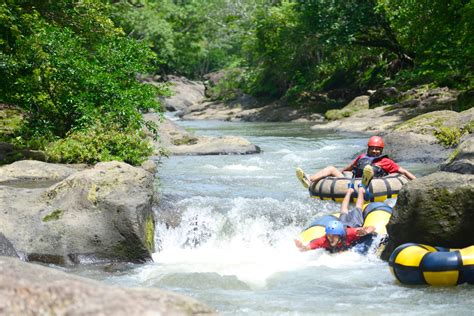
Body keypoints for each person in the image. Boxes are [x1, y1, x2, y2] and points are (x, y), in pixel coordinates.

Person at [294, 173, 376, 253]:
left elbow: (372, 228)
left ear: (340, 235)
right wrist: (302, 247)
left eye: (333, 235)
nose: (330, 238)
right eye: (329, 235)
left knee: (358, 207)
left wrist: (366, 232)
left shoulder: (350, 233)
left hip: (353, 223)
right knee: (343, 210)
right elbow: (307, 247)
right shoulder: (324, 240)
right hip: (342, 224)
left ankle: (361, 189)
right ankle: (350, 190)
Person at [296, 136, 416, 189]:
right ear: (368, 148)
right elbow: (350, 167)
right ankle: (309, 179)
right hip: (352, 182)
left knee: (370, 169)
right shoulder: (362, 157)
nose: (375, 151)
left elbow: (403, 171)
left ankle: (366, 177)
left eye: (377, 149)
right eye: (373, 148)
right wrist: (339, 172)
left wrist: (417, 181)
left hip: (371, 185)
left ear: (381, 150)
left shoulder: (386, 161)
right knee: (331, 168)